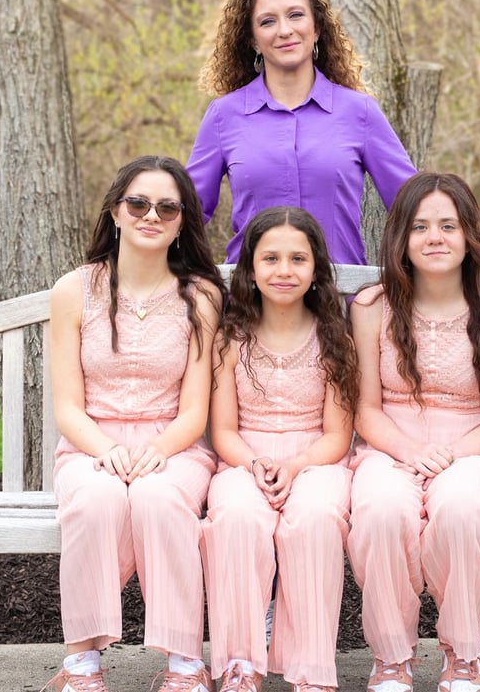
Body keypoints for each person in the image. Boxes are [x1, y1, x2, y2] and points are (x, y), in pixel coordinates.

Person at [41, 156, 225, 692]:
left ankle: (186, 663)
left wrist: (159, 449)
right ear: (115, 212)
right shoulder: (74, 291)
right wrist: (106, 449)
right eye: (138, 203)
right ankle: (81, 665)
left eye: (167, 208)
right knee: (96, 500)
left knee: (158, 500)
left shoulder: (201, 296)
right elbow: (68, 407)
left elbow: (194, 411)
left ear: (183, 221)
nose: (151, 216)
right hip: (90, 444)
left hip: (174, 445)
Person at [346, 173, 480, 692]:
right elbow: (366, 410)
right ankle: (391, 656)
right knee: (382, 510)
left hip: (473, 450)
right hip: (390, 448)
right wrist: (410, 450)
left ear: (469, 234)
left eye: (448, 225)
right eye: (421, 226)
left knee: (462, 508)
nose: (435, 238)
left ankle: (463, 652)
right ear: (401, 238)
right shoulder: (372, 308)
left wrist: (449, 454)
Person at [200, 206, 358, 692]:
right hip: (244, 460)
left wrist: (296, 464)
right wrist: (254, 463)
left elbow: (338, 435)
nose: (284, 270)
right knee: (236, 518)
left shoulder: (335, 340)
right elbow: (223, 430)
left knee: (314, 520)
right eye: (270, 258)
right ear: (250, 269)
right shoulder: (230, 340)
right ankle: (240, 663)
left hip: (317, 461)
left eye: (297, 259)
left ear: (315, 269)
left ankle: (310, 668)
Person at [186, 0, 416, 264]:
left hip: (339, 290)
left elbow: (414, 207)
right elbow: (183, 213)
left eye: (295, 15)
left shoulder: (359, 111)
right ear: (253, 40)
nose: (284, 30)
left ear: (317, 27)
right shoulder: (223, 115)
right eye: (267, 21)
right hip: (249, 290)